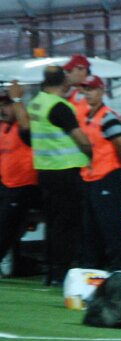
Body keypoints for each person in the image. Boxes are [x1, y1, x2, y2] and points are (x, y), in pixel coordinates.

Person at [20, 66, 91, 286]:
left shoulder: (37, 103)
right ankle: (62, 272)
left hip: (45, 170)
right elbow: (81, 139)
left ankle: (50, 271)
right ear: (63, 81)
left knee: (52, 223)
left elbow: (27, 135)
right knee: (67, 224)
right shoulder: (59, 106)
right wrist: (91, 153)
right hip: (65, 170)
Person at [76, 75, 121, 272]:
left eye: (91, 89)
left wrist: (117, 167)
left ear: (101, 92)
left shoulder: (108, 117)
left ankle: (119, 267)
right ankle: (92, 267)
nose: (87, 93)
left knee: (110, 225)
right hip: (91, 177)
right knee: (90, 226)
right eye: (85, 90)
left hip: (106, 176)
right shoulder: (88, 116)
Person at [0, 86, 37, 272]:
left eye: (6, 104)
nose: (2, 109)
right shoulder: (4, 128)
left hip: (21, 187)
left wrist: (17, 100)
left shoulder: (22, 129)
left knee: (5, 229)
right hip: (6, 186)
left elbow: (27, 126)